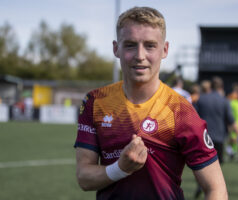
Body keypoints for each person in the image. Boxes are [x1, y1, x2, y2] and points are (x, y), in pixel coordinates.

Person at [74, 7, 227, 200]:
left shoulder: (181, 110)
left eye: (150, 46)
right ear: (116, 48)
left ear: (165, 50)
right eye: (130, 45)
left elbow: (216, 189)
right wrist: (120, 169)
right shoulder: (95, 102)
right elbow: (84, 178)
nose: (140, 55)